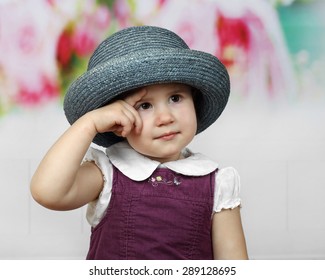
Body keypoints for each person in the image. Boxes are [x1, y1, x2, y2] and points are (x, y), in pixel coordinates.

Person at [30, 26, 248, 260]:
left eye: (175, 98)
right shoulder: (108, 175)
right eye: (144, 106)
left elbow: (234, 265)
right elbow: (48, 192)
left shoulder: (217, 183)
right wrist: (89, 124)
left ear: (194, 101)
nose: (165, 118)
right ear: (117, 120)